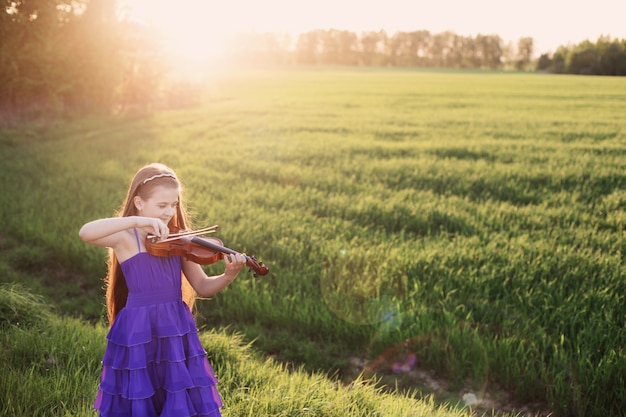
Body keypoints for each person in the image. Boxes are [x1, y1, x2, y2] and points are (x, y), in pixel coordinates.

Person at [79, 162, 246, 416]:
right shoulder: (127, 237)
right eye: (161, 205)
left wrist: (227, 275)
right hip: (138, 327)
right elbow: (86, 232)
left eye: (174, 204)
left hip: (175, 326)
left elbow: (203, 286)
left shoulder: (178, 240)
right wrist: (134, 221)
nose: (169, 212)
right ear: (139, 203)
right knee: (140, 394)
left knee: (176, 392)